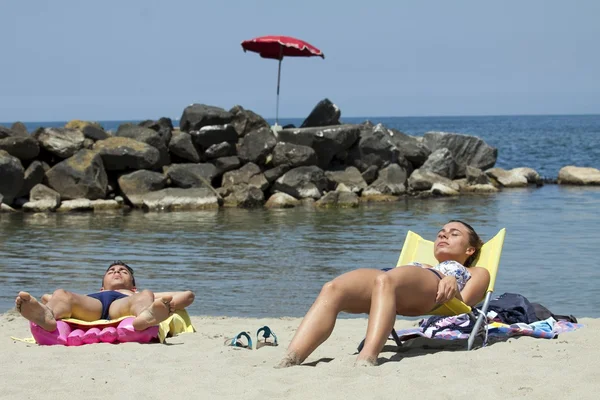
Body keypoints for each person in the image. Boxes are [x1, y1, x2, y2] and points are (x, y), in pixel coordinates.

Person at [276, 220, 489, 367]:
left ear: (470, 250)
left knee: (386, 280)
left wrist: (449, 278)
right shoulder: (422, 264)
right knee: (333, 288)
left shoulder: (475, 271)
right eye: (441, 233)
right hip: (389, 283)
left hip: (428, 291)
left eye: (454, 234)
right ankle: (293, 357)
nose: (443, 234)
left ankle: (367, 357)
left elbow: (466, 305)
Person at [15, 261, 195, 333]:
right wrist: (55, 299)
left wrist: (158, 300)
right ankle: (47, 316)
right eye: (112, 271)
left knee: (145, 296)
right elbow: (50, 296)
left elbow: (186, 296)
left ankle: (146, 316)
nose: (117, 272)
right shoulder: (92, 295)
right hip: (94, 306)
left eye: (123, 271)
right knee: (62, 293)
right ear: (102, 285)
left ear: (133, 285)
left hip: (124, 304)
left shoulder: (137, 294)